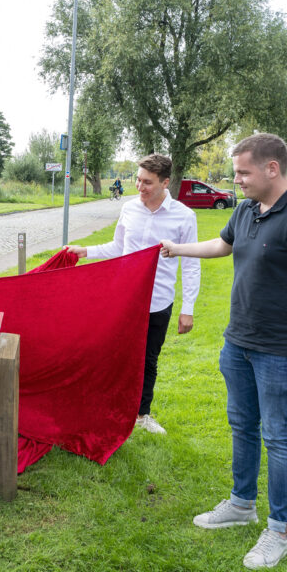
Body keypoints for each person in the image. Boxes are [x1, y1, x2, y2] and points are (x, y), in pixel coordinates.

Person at [161, 133, 287, 570]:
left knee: (277, 437)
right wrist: (176, 248)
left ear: (271, 169)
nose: (236, 179)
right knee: (242, 425)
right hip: (237, 343)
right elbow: (224, 246)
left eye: (243, 171)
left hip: (281, 351)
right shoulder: (245, 210)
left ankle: (278, 530)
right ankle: (242, 504)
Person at [66, 154, 200, 434]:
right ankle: (106, 407)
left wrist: (188, 308)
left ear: (165, 182)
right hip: (122, 298)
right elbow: (118, 248)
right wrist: (86, 252)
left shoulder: (184, 217)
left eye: (147, 182)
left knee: (148, 360)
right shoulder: (128, 209)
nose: (140, 186)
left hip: (158, 301)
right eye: (138, 179)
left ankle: (141, 415)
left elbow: (190, 264)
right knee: (112, 353)